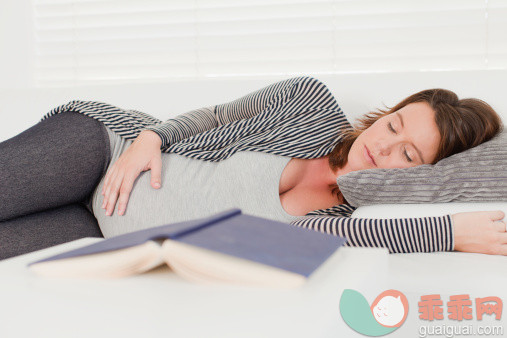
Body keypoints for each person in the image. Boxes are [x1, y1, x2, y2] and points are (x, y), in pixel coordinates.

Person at [0, 76, 504, 260]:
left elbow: (335, 239)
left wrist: (448, 231)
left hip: (98, 228)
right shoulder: (310, 105)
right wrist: (150, 138)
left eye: (410, 157)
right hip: (106, 149)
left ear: (426, 177)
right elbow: (221, 115)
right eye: (393, 126)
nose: (382, 147)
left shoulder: (339, 224)